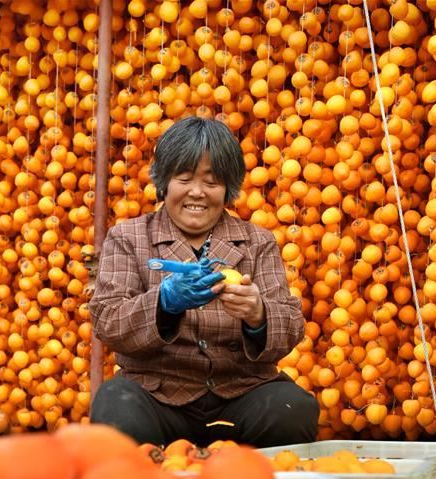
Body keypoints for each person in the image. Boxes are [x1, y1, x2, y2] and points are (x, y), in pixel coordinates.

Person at [89, 116, 319, 448]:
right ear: (165, 182)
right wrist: (162, 304)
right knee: (115, 407)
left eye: (212, 182)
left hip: (241, 391)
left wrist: (258, 315)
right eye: (184, 178)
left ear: (228, 189)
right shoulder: (129, 237)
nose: (197, 192)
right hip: (159, 393)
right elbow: (108, 320)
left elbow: (291, 326)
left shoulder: (257, 242)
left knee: (292, 411)